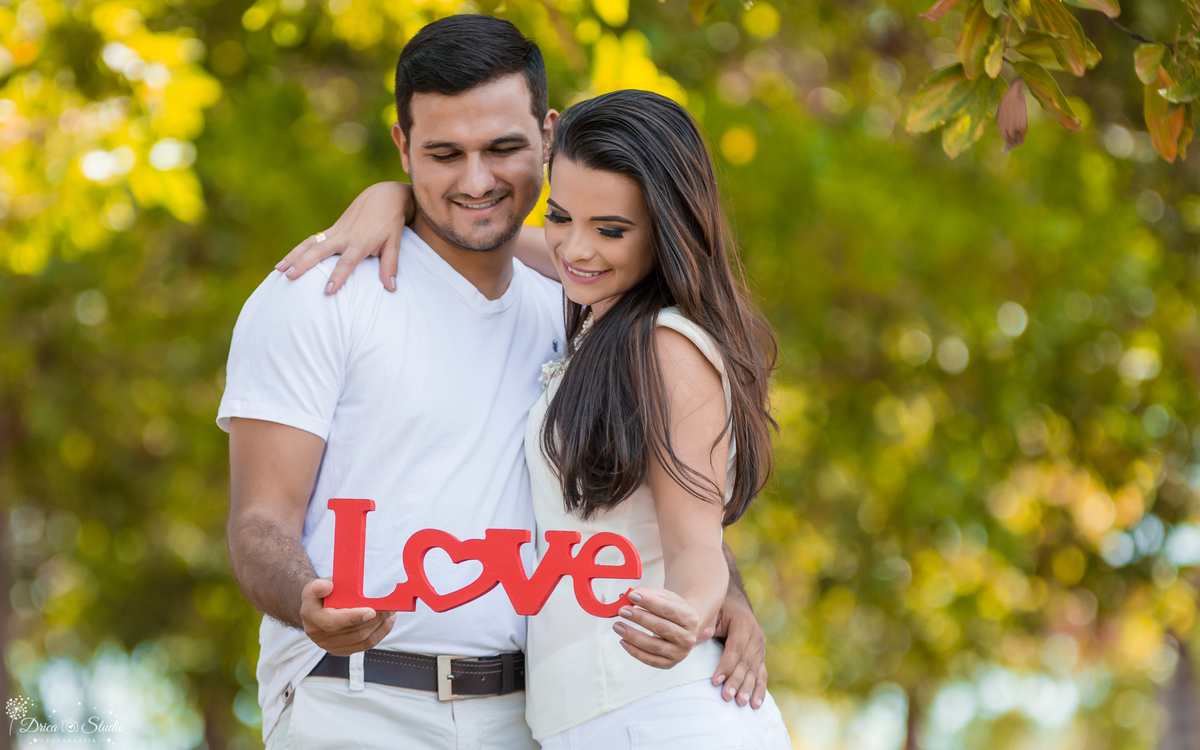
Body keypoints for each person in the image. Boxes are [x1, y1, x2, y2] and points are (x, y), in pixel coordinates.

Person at [219, 15, 768, 750]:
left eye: (503, 149)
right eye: (444, 154)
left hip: (536, 716)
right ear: (402, 144)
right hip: (355, 701)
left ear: (548, 135)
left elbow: (658, 484)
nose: (476, 181)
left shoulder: (582, 305)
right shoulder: (317, 295)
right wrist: (306, 601)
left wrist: (720, 594)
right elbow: (259, 523)